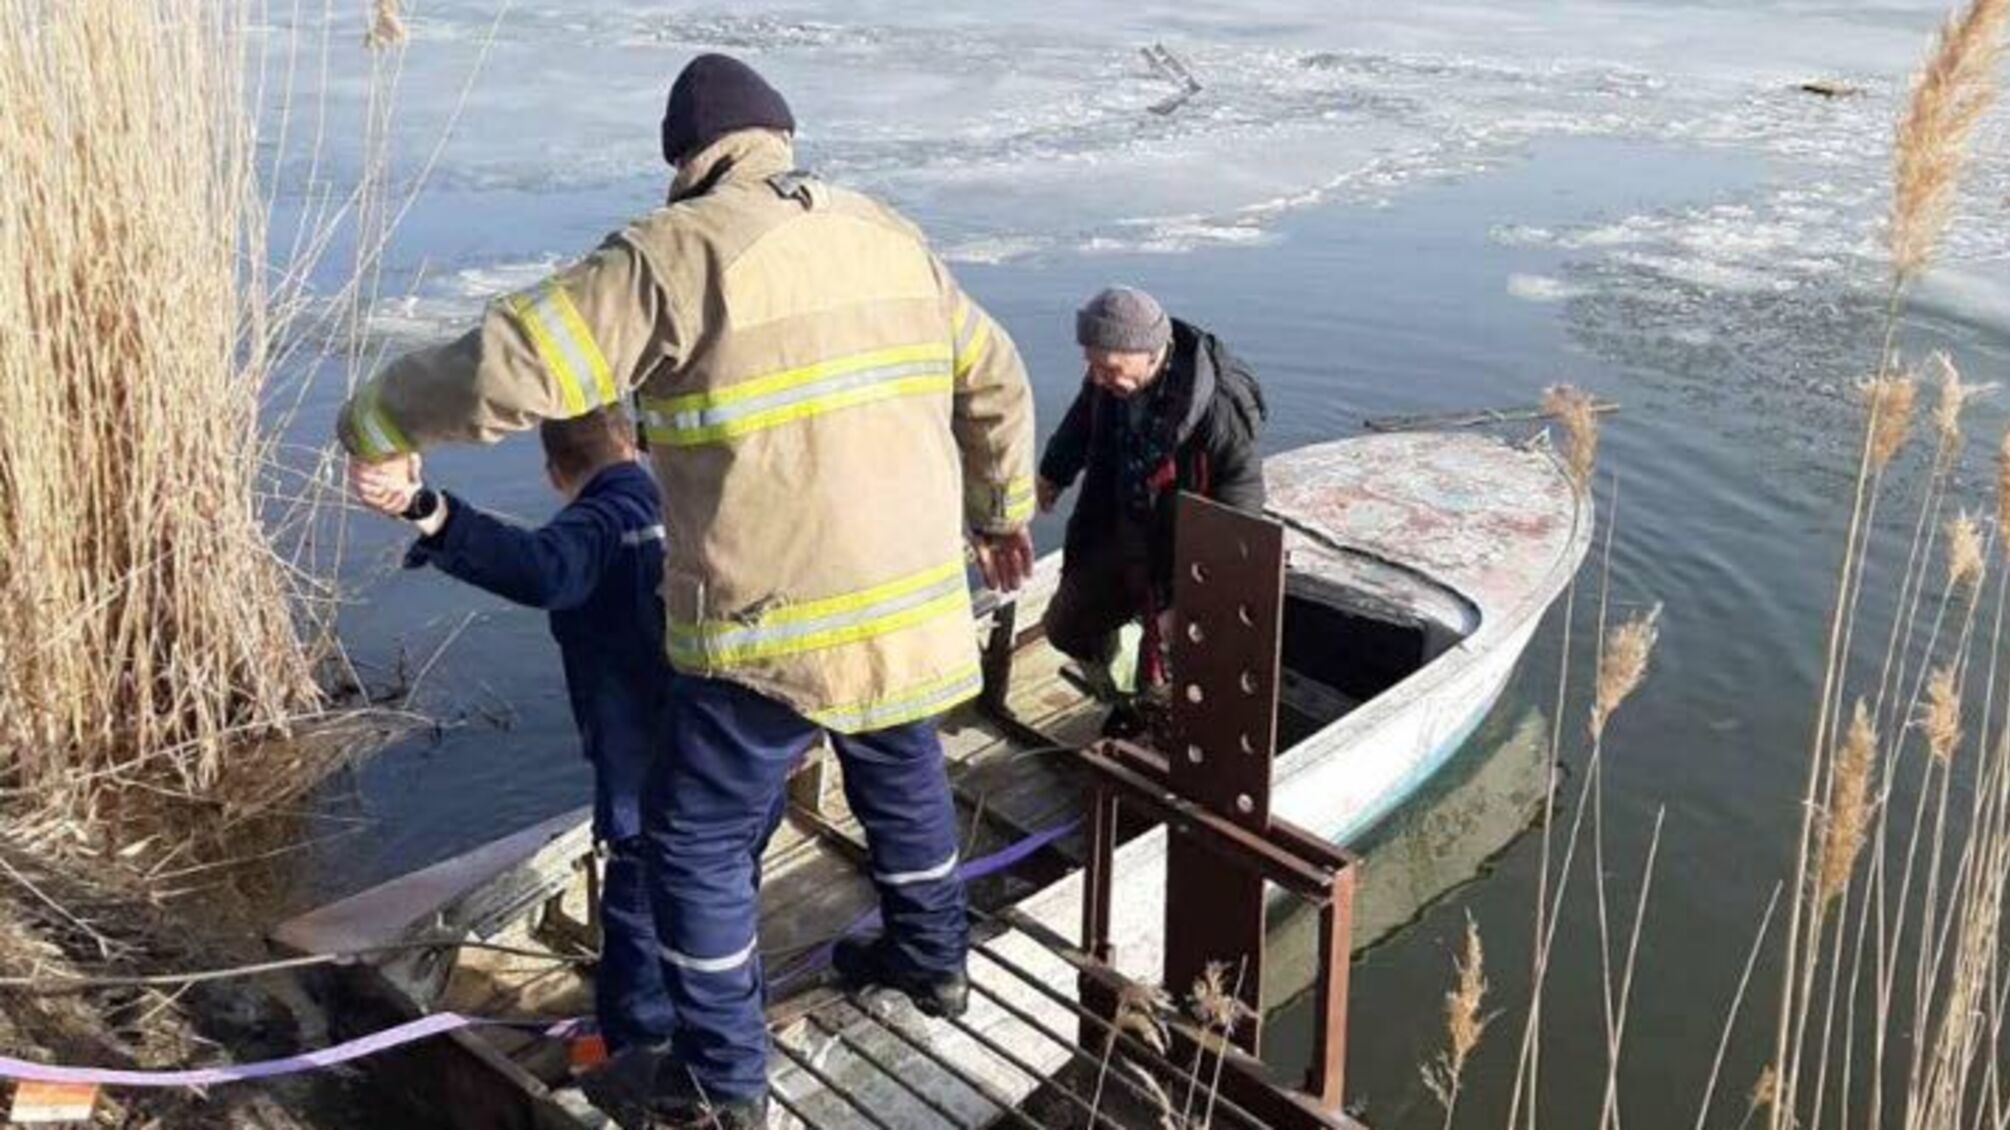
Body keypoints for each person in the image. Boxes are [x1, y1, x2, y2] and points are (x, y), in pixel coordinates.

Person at [337, 53, 1035, 1129]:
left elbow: (518, 358)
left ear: (687, 159)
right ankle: (934, 960)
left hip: (772, 631)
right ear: (778, 138)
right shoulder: (893, 235)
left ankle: (721, 1075)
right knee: (902, 777)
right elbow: (996, 379)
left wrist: (380, 420)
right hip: (913, 611)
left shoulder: (677, 252)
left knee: (694, 841)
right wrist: (1001, 512)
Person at [351, 407, 677, 1056]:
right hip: (731, 742)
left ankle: (640, 1051)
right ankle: (717, 1015)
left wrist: (426, 508)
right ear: (630, 446)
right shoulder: (689, 494)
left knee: (640, 902)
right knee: (721, 889)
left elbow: (540, 568)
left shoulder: (603, 520)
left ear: (555, 474)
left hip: (649, 757)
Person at [1037, 286, 1267, 700]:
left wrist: (1192, 598)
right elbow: (1081, 422)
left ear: (1151, 352)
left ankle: (1155, 702)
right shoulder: (1108, 378)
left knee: (1175, 656)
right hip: (1124, 525)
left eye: (1108, 368)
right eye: (1091, 366)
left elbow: (1241, 502)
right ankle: (1122, 685)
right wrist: (1052, 474)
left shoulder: (1222, 406)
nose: (1098, 378)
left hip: (1185, 548)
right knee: (1066, 627)